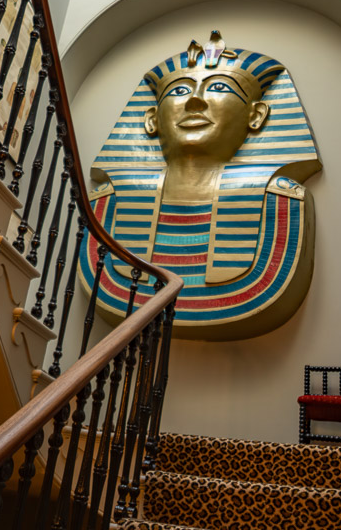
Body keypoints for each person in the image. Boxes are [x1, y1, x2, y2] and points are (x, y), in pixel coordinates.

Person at [79, 32, 322, 340]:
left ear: (256, 115)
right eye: (180, 90)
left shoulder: (282, 201)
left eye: (219, 87)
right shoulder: (106, 204)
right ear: (151, 119)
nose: (195, 100)